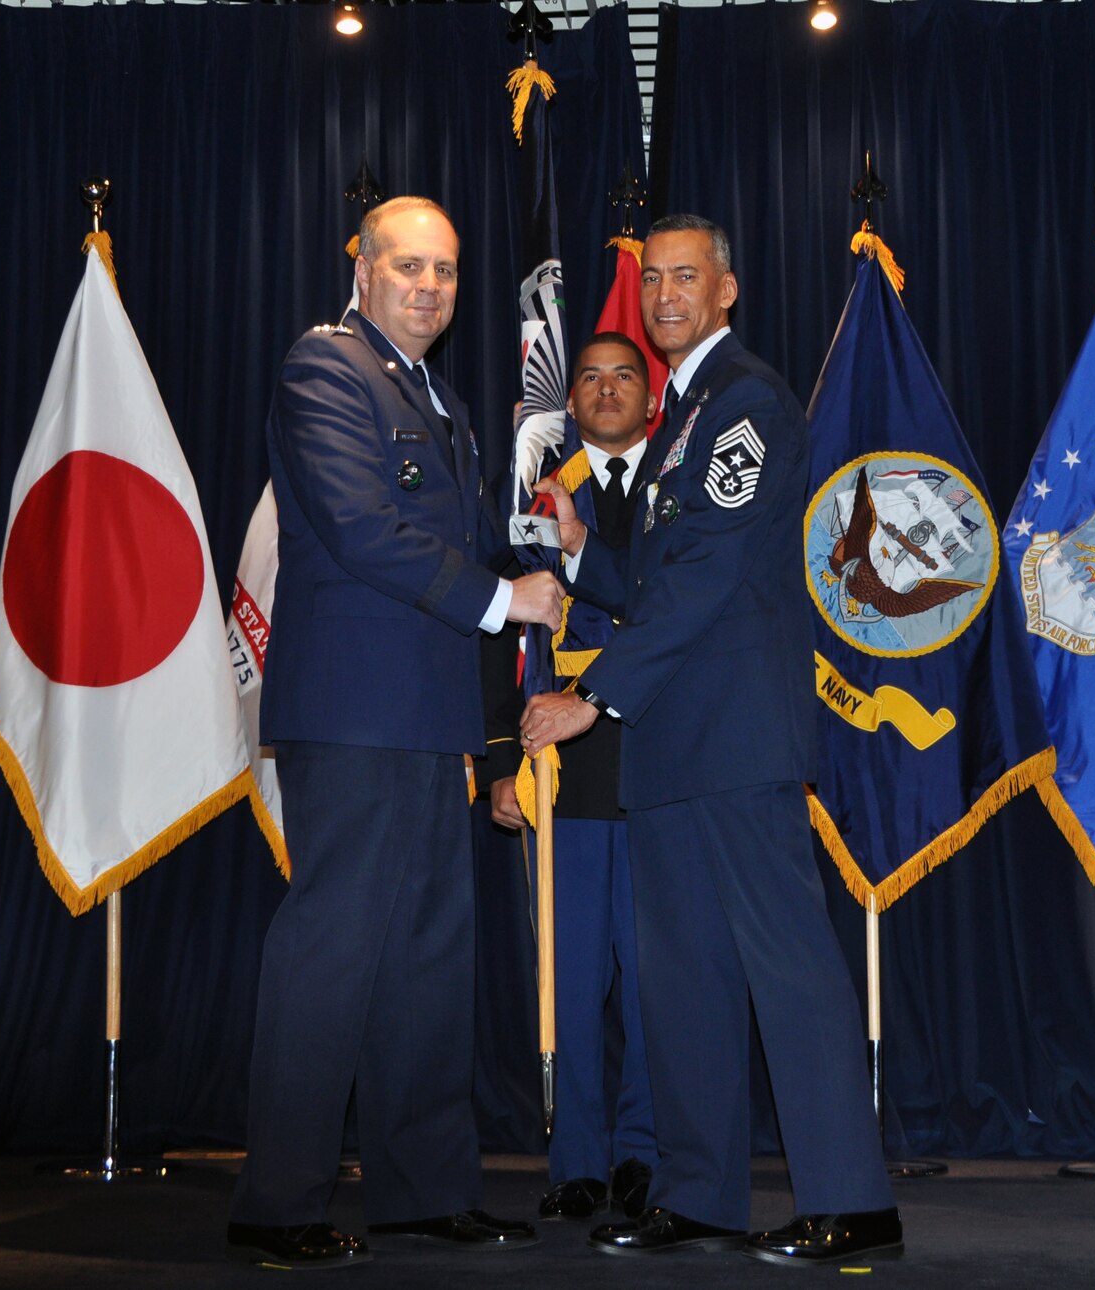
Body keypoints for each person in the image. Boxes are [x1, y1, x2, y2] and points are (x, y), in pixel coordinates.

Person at [521, 214, 901, 1267]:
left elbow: (710, 575)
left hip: (735, 740)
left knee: (786, 968)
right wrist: (584, 549)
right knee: (679, 978)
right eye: (653, 280)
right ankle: (699, 1198)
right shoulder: (680, 416)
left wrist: (596, 694)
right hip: (672, 748)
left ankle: (851, 1200)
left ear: (725, 290)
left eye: (685, 278)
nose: (664, 296)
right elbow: (648, 577)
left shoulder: (744, 404)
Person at [228, 195, 565, 1270]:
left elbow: (471, 534)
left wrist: (555, 529)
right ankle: (276, 1205)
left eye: (446, 272)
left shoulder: (443, 399)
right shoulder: (324, 369)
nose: (429, 287)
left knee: (428, 957)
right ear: (362, 267)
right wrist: (505, 602)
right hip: (354, 711)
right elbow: (363, 529)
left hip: (428, 720)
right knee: (332, 957)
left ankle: (423, 1191)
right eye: (408, 266)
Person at [483, 333, 659, 1223]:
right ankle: (579, 1159)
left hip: (665, 764)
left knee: (658, 977)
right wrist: (501, 760)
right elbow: (500, 637)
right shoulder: (533, 495)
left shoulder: (683, 484)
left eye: (623, 373)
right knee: (574, 978)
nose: (604, 387)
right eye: (587, 374)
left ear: (650, 389)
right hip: (566, 770)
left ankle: (648, 1154)